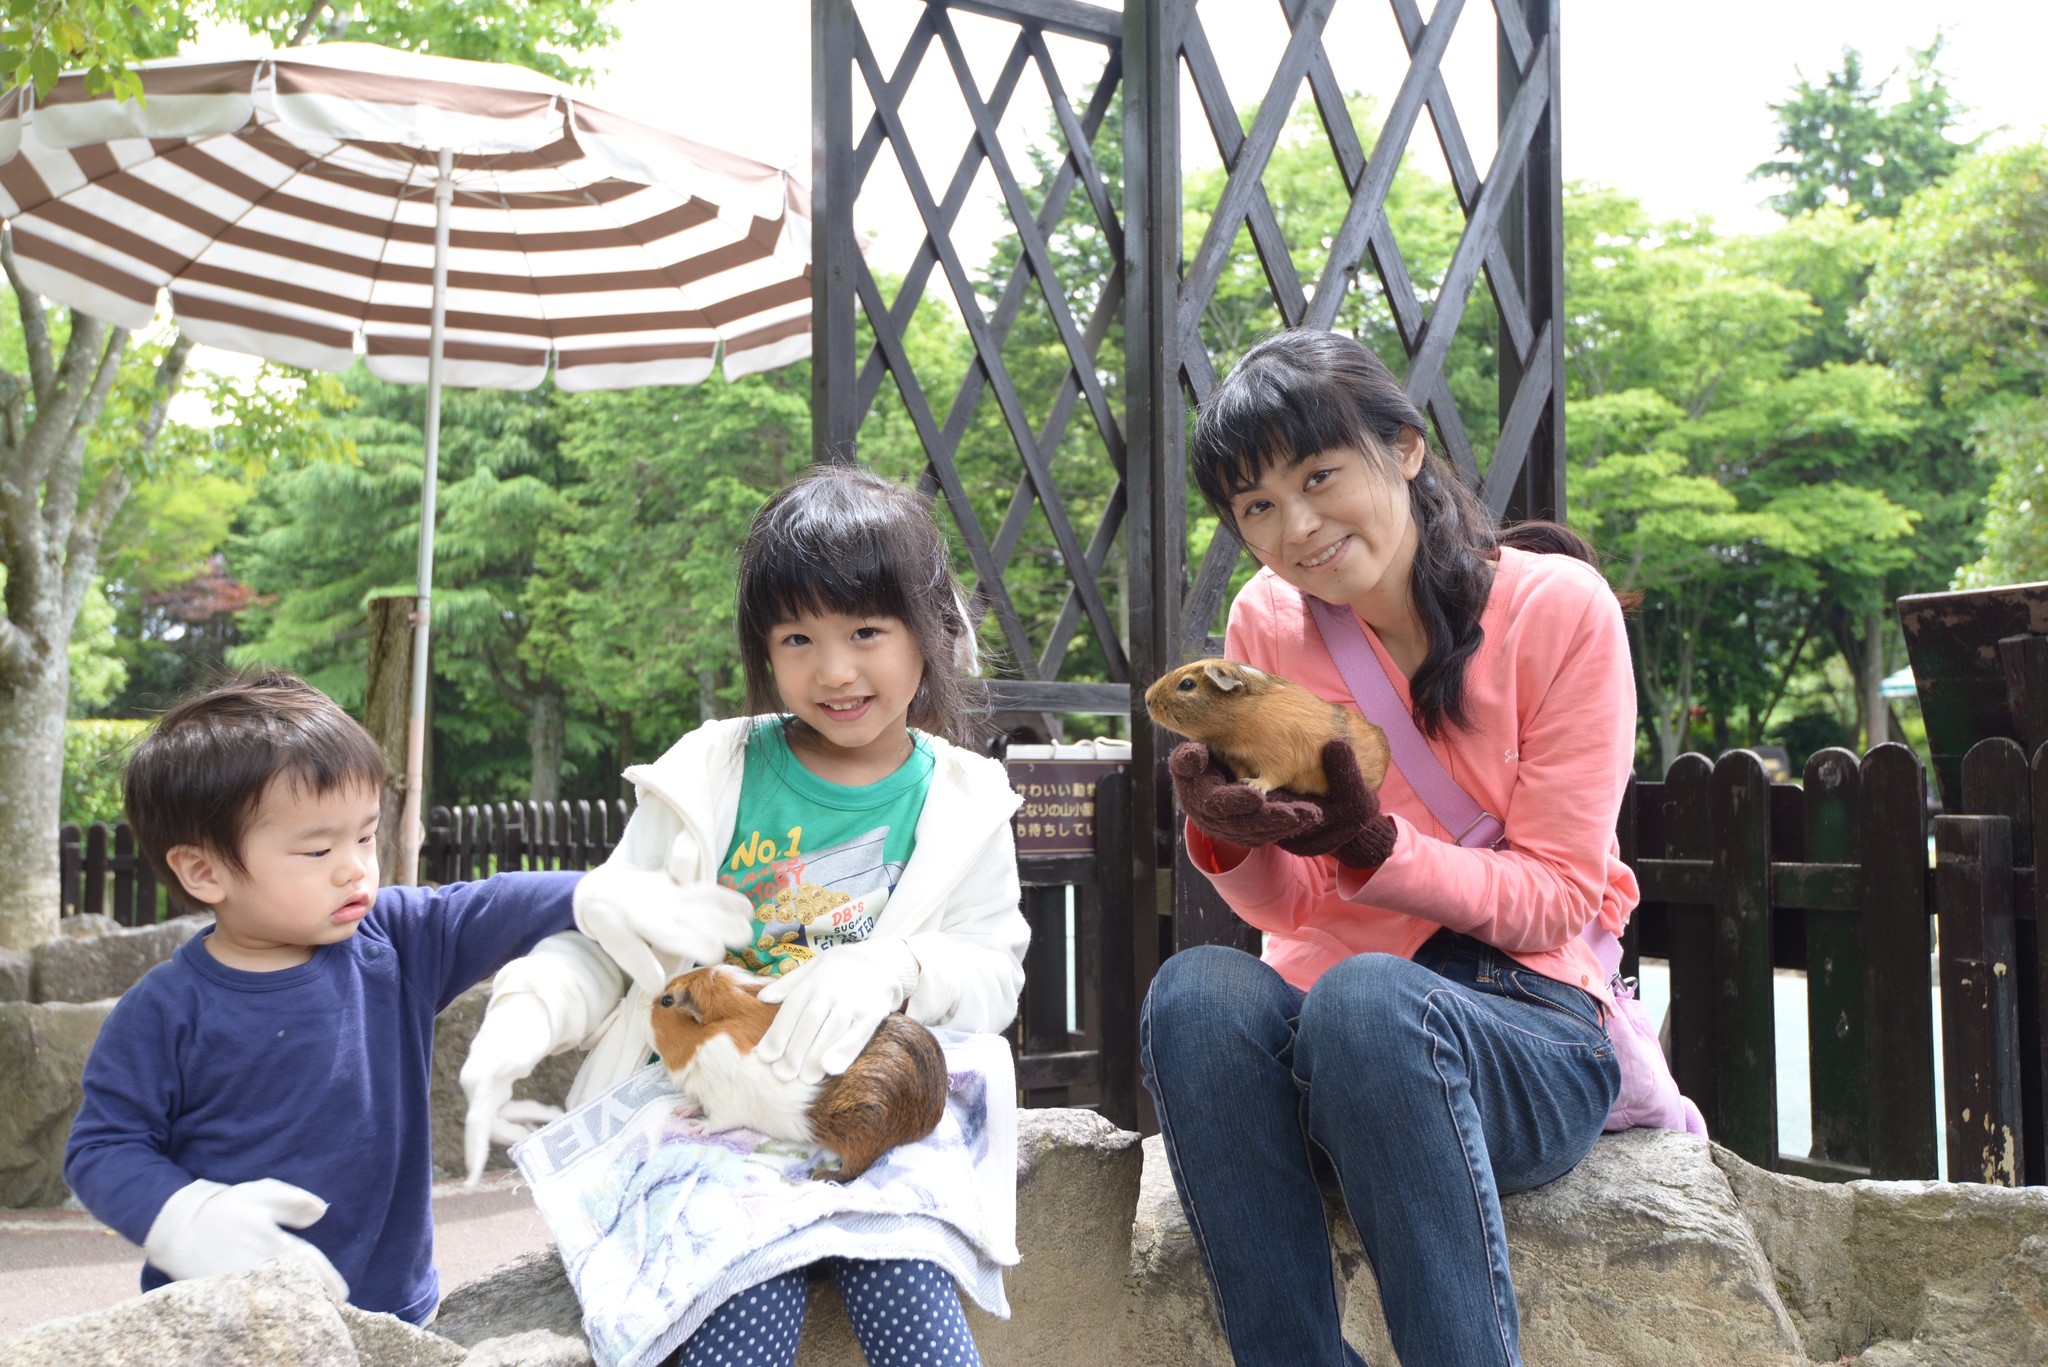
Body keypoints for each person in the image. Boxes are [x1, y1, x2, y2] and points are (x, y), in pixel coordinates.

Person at [459, 462, 1028, 1367]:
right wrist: (529, 1010)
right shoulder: (711, 771)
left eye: (866, 630)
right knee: (738, 1292)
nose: (834, 669)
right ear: (764, 647)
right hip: (700, 1116)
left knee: (908, 1278)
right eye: (798, 637)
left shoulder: (966, 799)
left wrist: (899, 966)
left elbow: (994, 971)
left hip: (869, 1112)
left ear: (930, 630)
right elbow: (610, 935)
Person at [1141, 329, 1635, 1367]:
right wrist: (1230, 835)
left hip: (1523, 1025)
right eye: (1256, 506)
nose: (1296, 527)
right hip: (1330, 1029)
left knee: (1369, 999)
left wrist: (1379, 845)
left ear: (1404, 448)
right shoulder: (1266, 618)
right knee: (1194, 992)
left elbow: (1557, 896)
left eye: (1318, 476)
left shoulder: (1558, 609)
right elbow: (1295, 905)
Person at [64, 671, 583, 1325]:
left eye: (365, 836)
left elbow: (496, 903)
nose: (355, 867)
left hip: (392, 1311)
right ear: (203, 870)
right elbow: (102, 1147)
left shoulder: (393, 940)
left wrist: (611, 896)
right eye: (317, 849)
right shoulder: (165, 1012)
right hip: (227, 1322)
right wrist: (184, 1216)